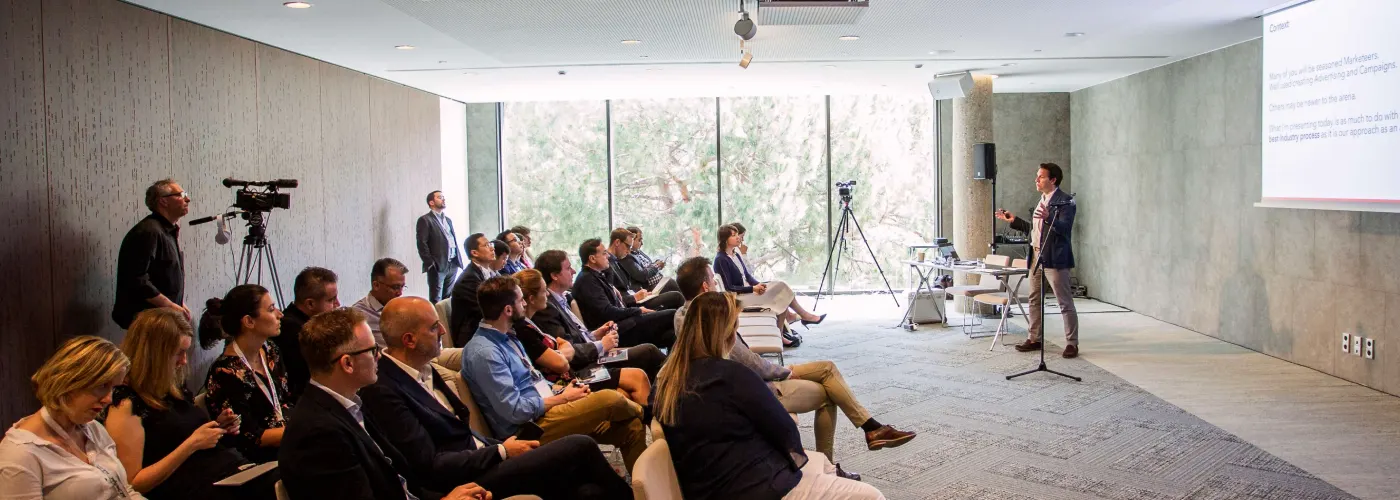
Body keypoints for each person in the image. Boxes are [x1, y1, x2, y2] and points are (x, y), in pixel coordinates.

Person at [361, 296, 633, 499]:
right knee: (581, 445)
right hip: (465, 478)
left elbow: (461, 429)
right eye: (434, 328)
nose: (443, 331)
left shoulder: (424, 365)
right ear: (409, 340)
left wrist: (501, 447)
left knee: (587, 490)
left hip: (486, 451)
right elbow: (429, 464)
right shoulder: (384, 389)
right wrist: (501, 451)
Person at [674, 258, 916, 474]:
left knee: (828, 369)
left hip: (753, 379)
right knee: (828, 392)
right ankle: (835, 462)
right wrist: (786, 372)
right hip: (759, 387)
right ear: (705, 286)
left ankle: (870, 430)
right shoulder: (710, 318)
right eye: (712, 280)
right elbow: (750, 365)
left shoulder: (682, 316)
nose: (716, 283)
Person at [655, 292, 886, 500]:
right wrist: (792, 463)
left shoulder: (665, 380)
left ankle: (834, 468)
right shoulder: (732, 376)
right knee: (872, 496)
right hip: (756, 485)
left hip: (707, 484)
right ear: (727, 335)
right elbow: (784, 429)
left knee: (823, 464)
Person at [279, 307, 494, 500]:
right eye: (372, 350)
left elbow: (402, 482)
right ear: (348, 363)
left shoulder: (350, 405)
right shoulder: (318, 434)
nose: (379, 357)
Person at [461, 275, 648, 470]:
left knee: (631, 428)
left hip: (546, 407)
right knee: (610, 399)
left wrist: (564, 390)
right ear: (508, 310)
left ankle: (645, 485)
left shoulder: (507, 336)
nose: (524, 304)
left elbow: (535, 380)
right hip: (527, 429)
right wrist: (563, 398)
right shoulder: (485, 353)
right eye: (520, 300)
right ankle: (648, 412)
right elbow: (514, 411)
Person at [106, 308, 278, 500]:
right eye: (178, 353)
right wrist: (192, 445)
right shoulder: (125, 404)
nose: (184, 361)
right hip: (193, 487)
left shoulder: (172, 389)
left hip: (226, 470)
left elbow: (184, 433)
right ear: (154, 354)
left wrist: (218, 427)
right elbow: (132, 484)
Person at [0, 336, 144, 499]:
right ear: (67, 382)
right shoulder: (20, 453)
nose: (109, 399)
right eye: (102, 386)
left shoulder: (93, 428)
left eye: (114, 388)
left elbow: (123, 491)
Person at [514, 269, 651, 406]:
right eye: (544, 291)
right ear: (531, 299)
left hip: (578, 367)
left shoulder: (533, 321)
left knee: (637, 372)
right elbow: (562, 361)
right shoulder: (527, 326)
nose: (548, 294)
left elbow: (565, 345)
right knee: (637, 375)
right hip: (571, 378)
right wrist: (596, 345)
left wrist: (593, 336)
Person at [531, 250, 665, 380]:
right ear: (555, 275)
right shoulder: (546, 308)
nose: (573, 271)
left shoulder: (561, 299)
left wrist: (594, 334)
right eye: (568, 268)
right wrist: (601, 344)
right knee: (649, 351)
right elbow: (568, 351)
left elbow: (577, 336)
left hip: (595, 349)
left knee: (665, 336)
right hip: (588, 364)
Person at [199, 284, 290, 464]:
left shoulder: (271, 351)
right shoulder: (225, 372)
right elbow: (250, 438)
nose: (280, 314)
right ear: (249, 321)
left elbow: (286, 400)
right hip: (260, 460)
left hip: (288, 440)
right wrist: (303, 430)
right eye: (271, 309)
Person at [996, 162, 1080, 358]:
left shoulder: (1066, 201)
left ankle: (1072, 343)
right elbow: (1036, 231)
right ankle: (1034, 338)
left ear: (1053, 180)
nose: (1036, 180)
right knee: (1034, 299)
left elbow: (1065, 229)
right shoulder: (1041, 200)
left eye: (1041, 177)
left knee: (1064, 302)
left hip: (1055, 258)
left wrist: (1049, 217)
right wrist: (1014, 221)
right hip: (1036, 256)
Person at [571, 238, 678, 350]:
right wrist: (638, 310)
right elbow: (607, 312)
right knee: (673, 314)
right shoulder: (587, 280)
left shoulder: (597, 275)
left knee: (671, 335)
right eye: (604, 253)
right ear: (592, 259)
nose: (608, 256)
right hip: (618, 330)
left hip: (624, 321)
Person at [113, 179, 190, 329]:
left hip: (162, 318)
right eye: (181, 195)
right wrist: (169, 305)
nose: (187, 199)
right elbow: (136, 278)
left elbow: (164, 275)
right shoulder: (148, 231)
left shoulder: (166, 230)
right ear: (163, 201)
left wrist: (179, 303)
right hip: (148, 321)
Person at [714, 224, 825, 328]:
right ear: (725, 239)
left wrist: (759, 285)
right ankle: (804, 317)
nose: (738, 237)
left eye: (737, 234)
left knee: (781, 288)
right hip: (738, 298)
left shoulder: (735, 255)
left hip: (746, 292)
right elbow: (729, 288)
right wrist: (753, 288)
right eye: (734, 235)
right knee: (781, 288)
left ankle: (789, 327)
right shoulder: (721, 259)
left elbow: (747, 275)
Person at [275, 266, 340, 402]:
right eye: (331, 300)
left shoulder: (312, 324)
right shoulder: (293, 331)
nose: (338, 304)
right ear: (310, 304)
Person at [608, 228, 683, 307]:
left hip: (638, 296)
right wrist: (635, 298)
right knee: (676, 295)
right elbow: (614, 299)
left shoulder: (616, 261)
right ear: (617, 242)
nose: (628, 251)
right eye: (628, 246)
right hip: (633, 303)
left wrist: (640, 295)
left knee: (674, 295)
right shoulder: (609, 265)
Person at [450, 233, 497, 346]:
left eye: (491, 244)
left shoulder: (491, 273)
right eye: (486, 245)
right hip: (472, 335)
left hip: (486, 327)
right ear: (474, 253)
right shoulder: (468, 279)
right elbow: (486, 310)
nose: (492, 248)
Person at [417, 190, 463, 303]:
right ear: (431, 202)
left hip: (452, 263)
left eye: (443, 197)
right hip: (438, 265)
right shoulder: (425, 220)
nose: (443, 199)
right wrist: (430, 263)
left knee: (448, 299)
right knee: (436, 299)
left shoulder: (448, 220)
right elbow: (422, 243)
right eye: (440, 197)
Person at [352, 258, 408, 346]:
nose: (400, 293)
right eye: (395, 287)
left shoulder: (403, 308)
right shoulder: (358, 315)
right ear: (376, 285)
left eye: (402, 287)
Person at [618, 226, 666, 291]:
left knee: (671, 283)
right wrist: (657, 266)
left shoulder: (638, 251)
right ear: (631, 240)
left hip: (658, 280)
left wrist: (657, 263)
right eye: (640, 240)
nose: (642, 243)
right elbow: (642, 275)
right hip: (648, 288)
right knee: (672, 285)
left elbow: (649, 265)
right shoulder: (626, 257)